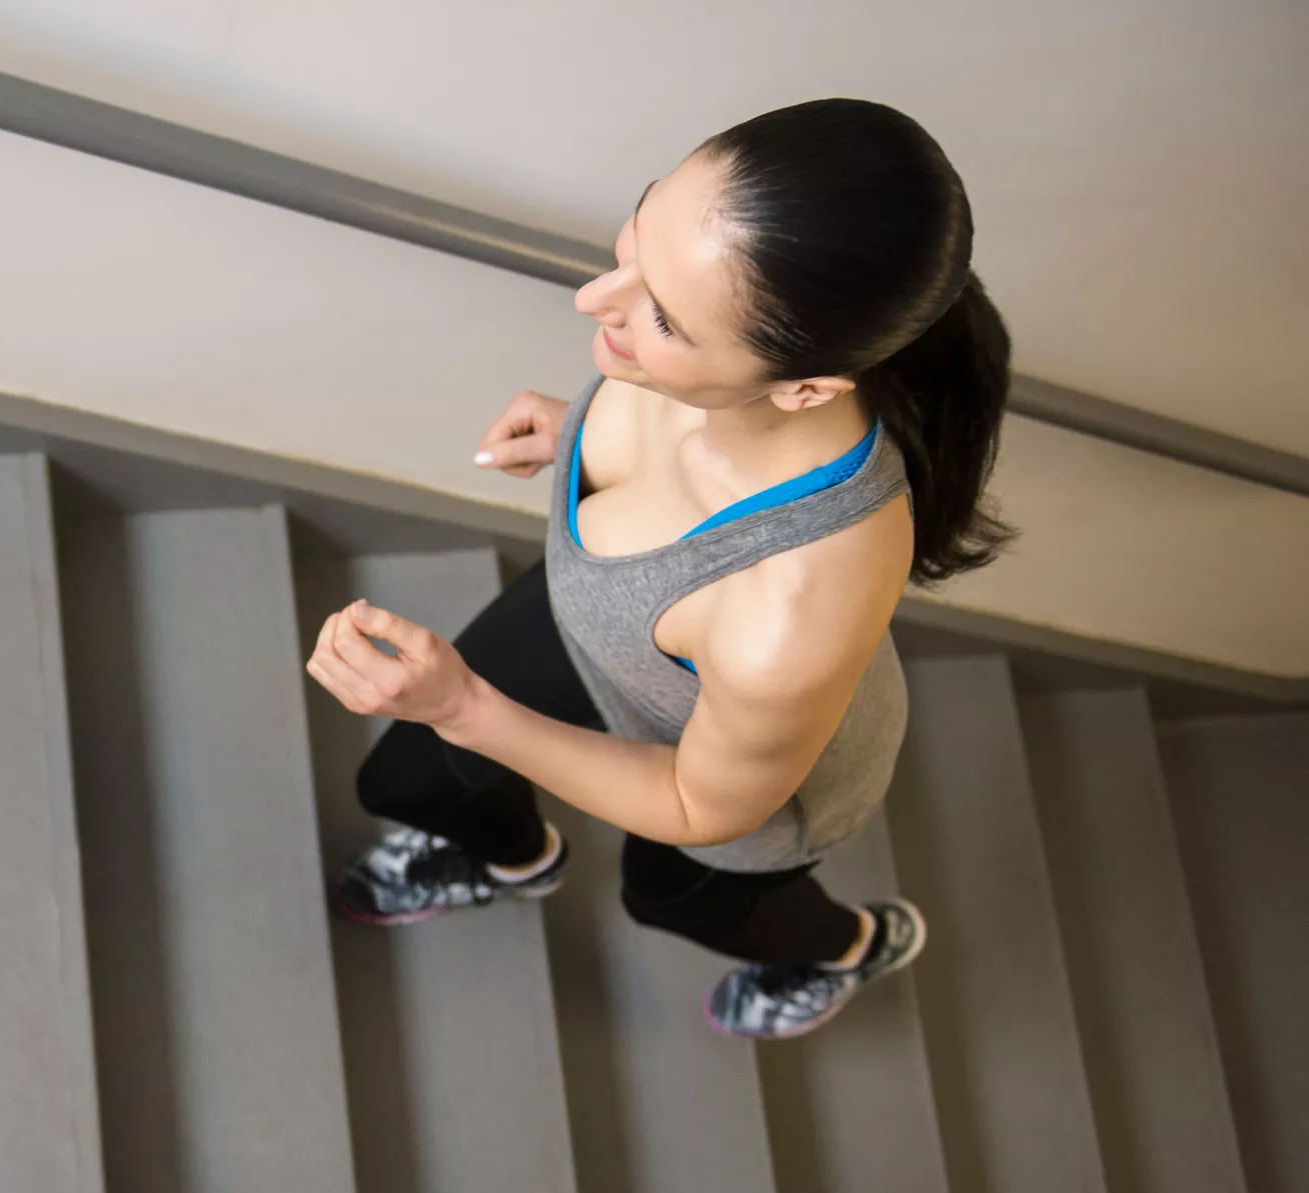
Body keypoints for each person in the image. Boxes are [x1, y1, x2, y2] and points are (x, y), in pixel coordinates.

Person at [306, 97, 1012, 1041]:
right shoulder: (716, 350)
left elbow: (697, 803)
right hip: (605, 633)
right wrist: (578, 437)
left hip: (734, 780)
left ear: (804, 387)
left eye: (664, 319)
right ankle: (516, 860)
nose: (596, 303)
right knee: (409, 785)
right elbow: (668, 450)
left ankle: (849, 948)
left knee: (676, 899)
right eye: (639, 234)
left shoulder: (785, 612)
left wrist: (463, 708)